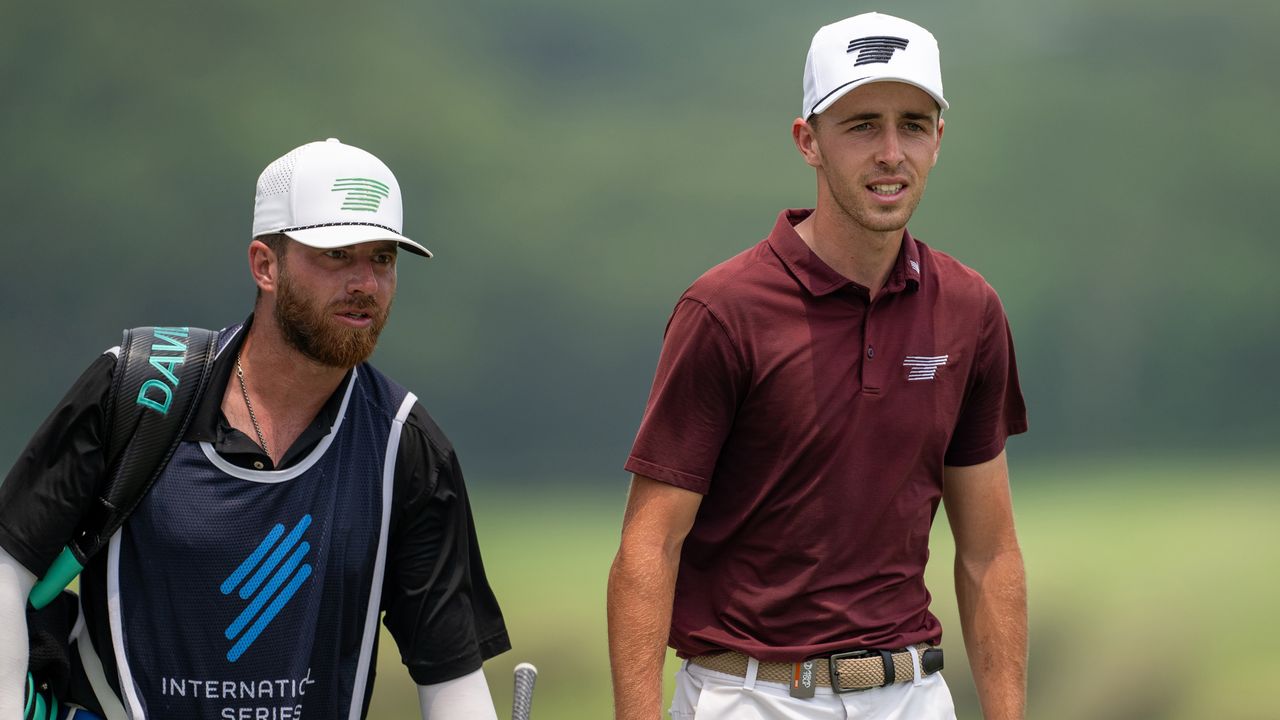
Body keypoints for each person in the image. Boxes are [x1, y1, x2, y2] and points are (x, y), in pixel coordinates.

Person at [608, 12, 1028, 720]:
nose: (891, 152)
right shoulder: (724, 310)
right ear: (808, 141)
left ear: (939, 140)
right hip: (747, 695)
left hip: (912, 696)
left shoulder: (969, 308)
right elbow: (650, 548)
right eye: (862, 125)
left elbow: (989, 554)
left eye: (913, 125)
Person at [0, 138, 511, 719]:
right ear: (265, 265)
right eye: (337, 255)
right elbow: (6, 567)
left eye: (383, 259)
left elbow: (452, 676)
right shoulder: (140, 387)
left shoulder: (405, 444)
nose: (366, 282)